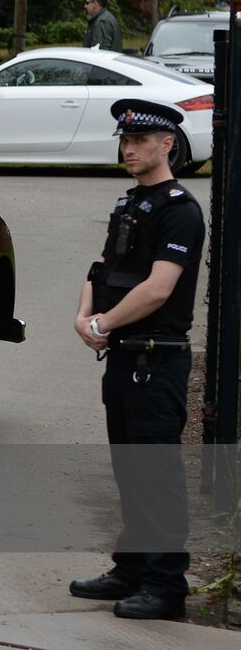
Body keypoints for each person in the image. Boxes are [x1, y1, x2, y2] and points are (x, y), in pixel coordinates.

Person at [68, 99, 204, 620]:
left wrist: (102, 324)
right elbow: (102, 267)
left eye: (140, 141)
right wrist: (85, 317)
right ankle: (131, 568)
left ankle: (167, 586)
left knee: (155, 474)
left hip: (156, 357)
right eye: (124, 141)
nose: (129, 149)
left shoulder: (180, 210)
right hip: (123, 355)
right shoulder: (131, 204)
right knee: (129, 469)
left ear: (167, 144)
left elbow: (158, 289)